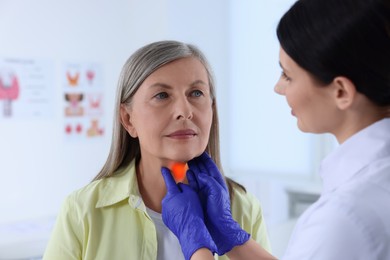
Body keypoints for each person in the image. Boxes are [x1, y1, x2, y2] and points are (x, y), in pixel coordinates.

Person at [160, 0, 390, 259]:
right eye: (161, 96)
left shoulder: (345, 219)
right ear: (127, 118)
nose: (278, 88)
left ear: (341, 91)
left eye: (288, 75)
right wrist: (230, 236)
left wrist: (198, 248)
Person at [43, 40, 271, 260]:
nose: (185, 111)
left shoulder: (243, 208)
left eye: (196, 93)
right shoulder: (82, 211)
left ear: (212, 110)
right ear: (128, 119)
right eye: (162, 95)